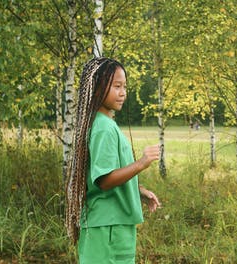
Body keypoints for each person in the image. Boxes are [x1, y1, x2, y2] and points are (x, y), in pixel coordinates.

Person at [66, 57, 161, 263]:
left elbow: (108, 174)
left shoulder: (103, 124)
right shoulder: (103, 127)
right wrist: (141, 163)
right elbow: (103, 180)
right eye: (116, 86)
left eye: (125, 86)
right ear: (98, 88)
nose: (123, 92)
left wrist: (137, 191)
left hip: (113, 224)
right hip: (107, 228)